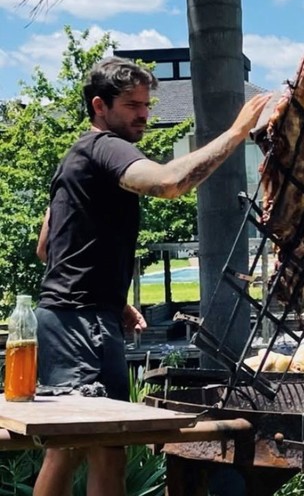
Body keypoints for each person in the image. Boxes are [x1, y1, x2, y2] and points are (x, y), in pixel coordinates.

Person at [33, 56, 270, 496]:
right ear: (100, 106)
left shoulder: (77, 157)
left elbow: (47, 245)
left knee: (96, 446)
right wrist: (236, 134)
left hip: (78, 316)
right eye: (132, 105)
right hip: (77, 323)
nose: (144, 114)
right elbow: (168, 183)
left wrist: (111, 296)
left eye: (146, 105)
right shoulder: (107, 147)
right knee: (75, 446)